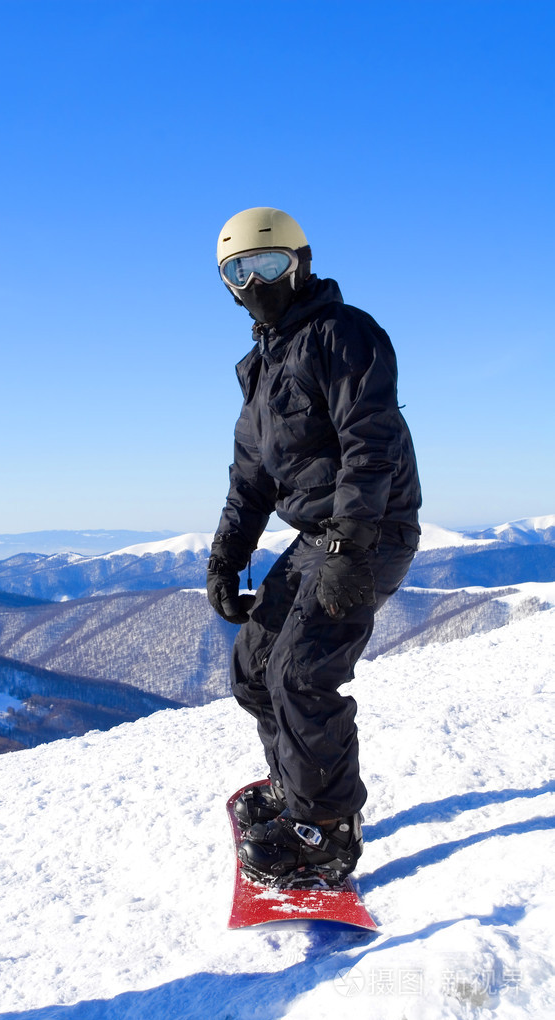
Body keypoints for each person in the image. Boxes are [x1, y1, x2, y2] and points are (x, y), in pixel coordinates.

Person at [207, 207, 422, 884]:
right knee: (253, 669)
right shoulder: (262, 373)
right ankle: (295, 789)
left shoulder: (343, 334)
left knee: (300, 672)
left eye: (269, 265)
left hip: (372, 526)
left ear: (299, 262)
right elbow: (251, 481)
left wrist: (351, 547)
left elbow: (371, 441)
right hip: (318, 534)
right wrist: (224, 557)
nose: (256, 281)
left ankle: (327, 830)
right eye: (240, 271)